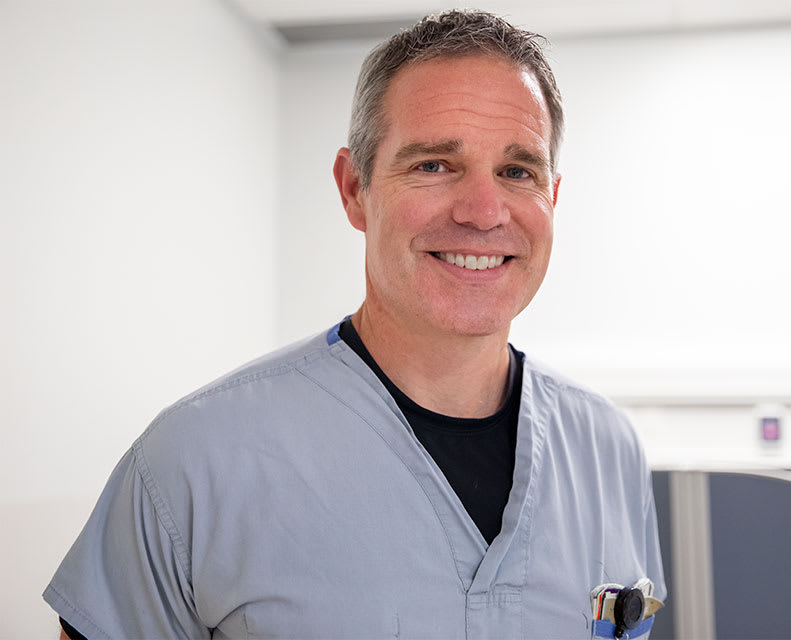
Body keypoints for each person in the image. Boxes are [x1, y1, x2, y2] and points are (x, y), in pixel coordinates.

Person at [45, 10, 665, 639]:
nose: (483, 211)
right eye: (434, 165)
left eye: (517, 171)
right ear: (353, 188)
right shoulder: (194, 461)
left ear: (551, 199)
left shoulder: (608, 450)